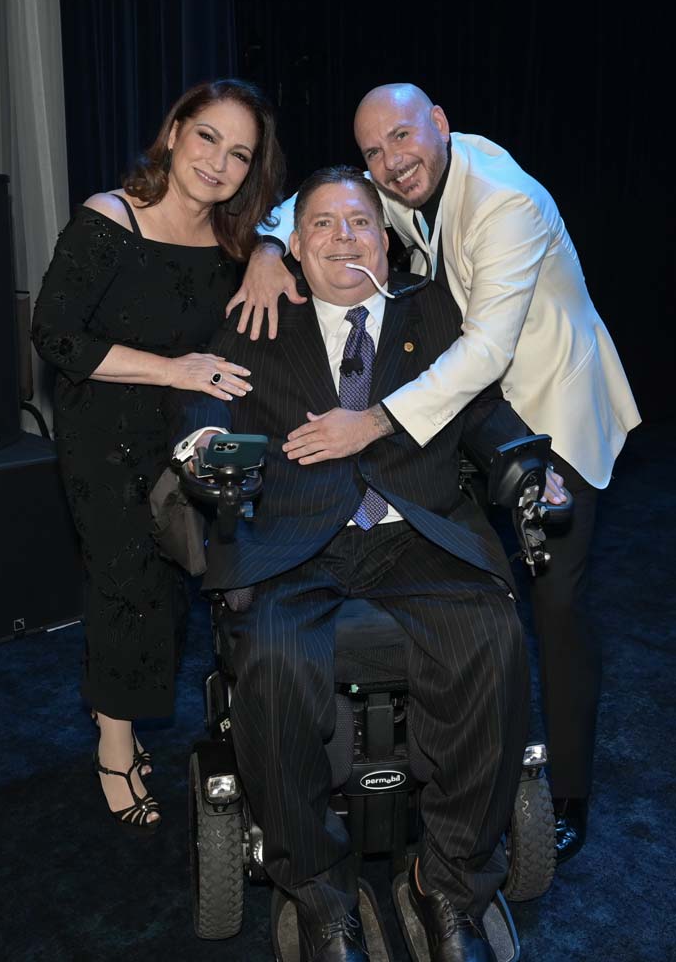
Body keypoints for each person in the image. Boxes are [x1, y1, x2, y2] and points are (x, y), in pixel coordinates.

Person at [227, 83, 642, 861]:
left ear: (441, 125)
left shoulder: (505, 201)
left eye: (403, 140)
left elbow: (485, 355)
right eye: (375, 151)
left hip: (541, 407)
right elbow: (322, 208)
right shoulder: (407, 177)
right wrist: (266, 246)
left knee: (552, 604)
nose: (390, 162)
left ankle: (569, 791)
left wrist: (373, 421)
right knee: (471, 585)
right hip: (452, 414)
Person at [173, 167, 560, 962]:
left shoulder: (436, 313)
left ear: (385, 241)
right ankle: (320, 896)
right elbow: (207, 400)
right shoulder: (261, 318)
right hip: (295, 536)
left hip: (417, 530)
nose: (343, 237)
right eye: (322, 224)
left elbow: (484, 408)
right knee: (275, 660)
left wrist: (528, 465)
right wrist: (205, 444)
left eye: (359, 222)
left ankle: (449, 887)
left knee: (491, 639)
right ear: (296, 243)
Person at [32, 78, 285, 832]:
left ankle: (128, 715)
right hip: (102, 431)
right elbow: (55, 336)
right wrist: (174, 367)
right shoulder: (111, 218)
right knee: (125, 582)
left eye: (239, 154)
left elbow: (316, 216)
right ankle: (114, 744)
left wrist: (270, 248)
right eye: (207, 137)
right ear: (175, 132)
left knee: (175, 586)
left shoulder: (237, 243)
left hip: (184, 435)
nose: (218, 162)